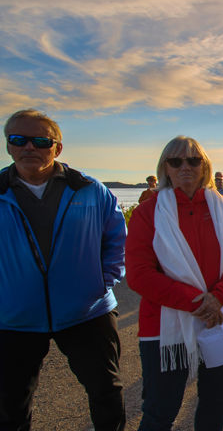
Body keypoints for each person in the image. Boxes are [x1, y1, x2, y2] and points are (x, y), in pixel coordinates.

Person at [0, 109, 127, 431]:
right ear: (8, 146)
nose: (30, 148)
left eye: (41, 141)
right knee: (11, 402)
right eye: (19, 140)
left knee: (105, 392)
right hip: (14, 317)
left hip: (87, 311)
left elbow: (117, 240)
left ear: (57, 148)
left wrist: (102, 283)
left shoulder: (88, 189)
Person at [126, 136, 223, 431]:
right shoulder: (148, 212)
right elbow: (138, 273)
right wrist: (200, 302)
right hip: (164, 324)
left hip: (219, 317)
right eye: (176, 161)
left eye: (193, 160)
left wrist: (218, 297)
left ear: (204, 166)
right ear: (165, 168)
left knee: (215, 402)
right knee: (161, 409)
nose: (185, 166)